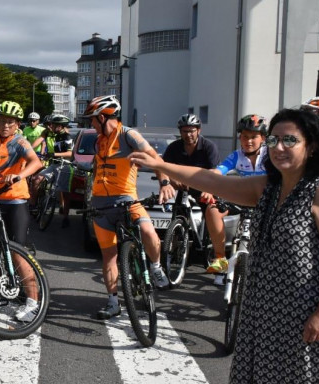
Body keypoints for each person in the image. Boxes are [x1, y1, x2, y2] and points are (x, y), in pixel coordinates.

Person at [132, 108, 319, 384]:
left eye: (290, 140)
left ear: (310, 146)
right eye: (274, 140)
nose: (279, 147)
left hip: (308, 313)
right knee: (250, 381)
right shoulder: (267, 186)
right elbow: (210, 180)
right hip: (263, 308)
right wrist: (164, 166)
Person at [84, 95, 172, 319]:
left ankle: (155, 266)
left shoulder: (128, 134)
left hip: (126, 199)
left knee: (148, 231)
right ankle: (113, 302)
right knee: (108, 257)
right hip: (101, 204)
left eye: (93, 120)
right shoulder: (99, 140)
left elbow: (154, 158)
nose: (91, 125)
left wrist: (164, 182)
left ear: (103, 117)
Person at [0, 100, 44, 320]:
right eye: (3, 121)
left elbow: (36, 162)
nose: (5, 125)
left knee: (17, 251)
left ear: (17, 124)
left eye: (10, 122)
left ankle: (32, 302)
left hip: (16, 201)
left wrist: (19, 175)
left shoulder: (20, 142)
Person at [162, 113, 227, 276]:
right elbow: (163, 168)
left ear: (198, 130)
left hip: (206, 187)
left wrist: (209, 189)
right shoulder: (174, 148)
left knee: (212, 213)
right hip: (184, 188)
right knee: (177, 216)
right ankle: (177, 250)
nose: (188, 134)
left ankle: (220, 261)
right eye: (184, 131)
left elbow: (215, 172)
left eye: (191, 131)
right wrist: (170, 180)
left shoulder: (208, 147)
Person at [32, 114, 75, 228]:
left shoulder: (67, 137)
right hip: (54, 165)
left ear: (60, 126)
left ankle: (66, 217)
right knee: (37, 179)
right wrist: (47, 156)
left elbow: (70, 154)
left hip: (65, 166)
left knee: (65, 194)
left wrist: (54, 154)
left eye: (54, 125)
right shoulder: (55, 136)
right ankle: (35, 205)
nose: (52, 126)